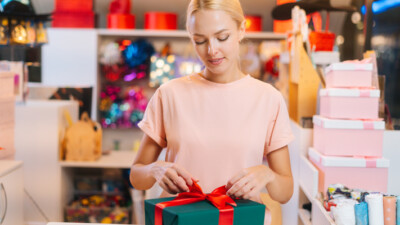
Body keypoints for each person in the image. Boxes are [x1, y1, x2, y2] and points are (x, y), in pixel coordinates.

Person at [130, 0, 295, 223]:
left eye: (222, 37)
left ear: (241, 30)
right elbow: (137, 176)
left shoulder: (268, 98)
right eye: (200, 40)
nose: (212, 50)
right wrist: (154, 169)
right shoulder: (169, 94)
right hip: (180, 219)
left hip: (241, 219)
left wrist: (268, 175)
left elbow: (284, 192)